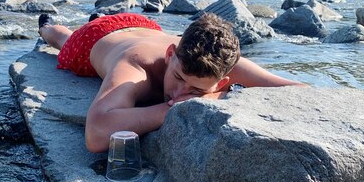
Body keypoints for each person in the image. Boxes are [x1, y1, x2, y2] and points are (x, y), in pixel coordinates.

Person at [38, 12, 304, 153]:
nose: (178, 94)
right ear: (170, 54)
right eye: (178, 78)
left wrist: (216, 95)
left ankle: (98, 14)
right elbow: (95, 135)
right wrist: (177, 108)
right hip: (95, 38)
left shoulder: (223, 63)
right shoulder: (135, 66)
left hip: (145, 26)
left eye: (196, 90)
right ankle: (47, 25)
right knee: (62, 39)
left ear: (223, 80)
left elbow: (300, 93)